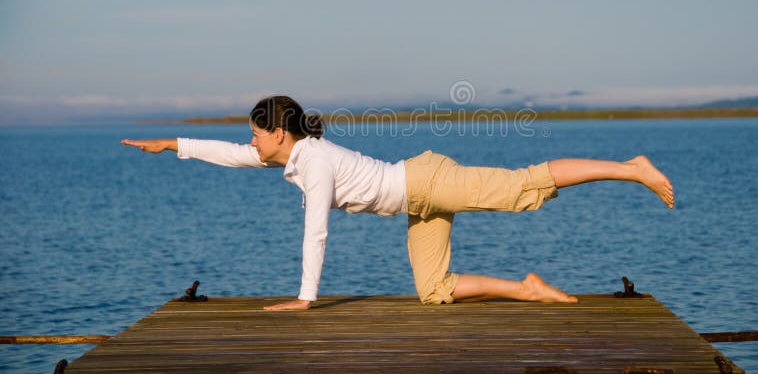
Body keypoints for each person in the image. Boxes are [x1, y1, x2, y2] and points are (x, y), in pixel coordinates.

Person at [122, 95, 674, 311]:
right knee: (433, 292)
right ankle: (525, 288)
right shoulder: (288, 155)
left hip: (427, 182)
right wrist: (173, 144)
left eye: (256, 134)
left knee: (521, 186)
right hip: (417, 200)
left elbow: (316, 231)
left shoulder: (312, 161)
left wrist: (304, 298)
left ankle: (630, 168)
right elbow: (230, 154)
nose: (252, 143)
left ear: (278, 133)